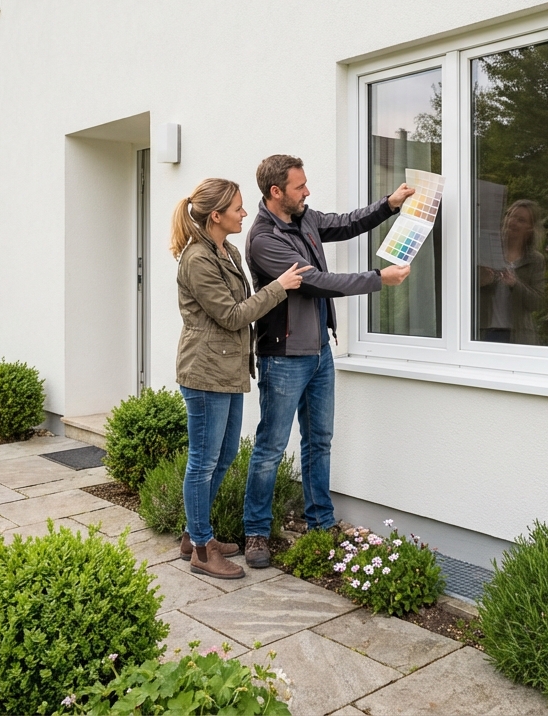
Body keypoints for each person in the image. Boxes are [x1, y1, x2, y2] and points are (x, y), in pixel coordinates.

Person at [242, 154, 413, 568]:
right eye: (300, 187)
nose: (308, 192)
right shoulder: (265, 239)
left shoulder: (305, 218)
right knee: (271, 447)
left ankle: (320, 523)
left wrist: (389, 204)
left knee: (319, 441)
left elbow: (344, 222)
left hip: (319, 352)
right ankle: (256, 532)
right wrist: (378, 278)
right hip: (283, 357)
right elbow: (315, 282)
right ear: (276, 192)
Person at [171, 177, 311, 580]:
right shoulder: (197, 259)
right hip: (204, 373)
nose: (245, 214)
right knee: (202, 462)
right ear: (216, 215)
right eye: (237, 209)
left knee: (224, 457)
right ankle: (201, 548)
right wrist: (279, 287)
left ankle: (192, 535)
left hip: (228, 369)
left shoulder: (226, 249)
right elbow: (231, 315)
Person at [477, 199, 546, 345]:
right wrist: (480, 280)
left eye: (520, 220)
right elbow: (461, 291)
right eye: (509, 215)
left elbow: (537, 304)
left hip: (519, 336)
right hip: (483, 333)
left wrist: (515, 284)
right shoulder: (486, 250)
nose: (512, 221)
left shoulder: (535, 260)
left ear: (530, 228)